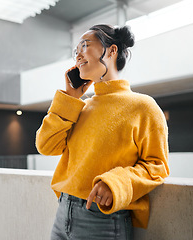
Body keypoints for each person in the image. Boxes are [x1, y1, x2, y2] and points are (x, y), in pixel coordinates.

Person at [35, 24, 169, 240]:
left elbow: (157, 166)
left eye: (85, 45)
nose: (77, 54)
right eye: (75, 50)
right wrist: (70, 97)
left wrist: (115, 183)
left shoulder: (144, 106)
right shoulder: (81, 107)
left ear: (111, 51)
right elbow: (45, 145)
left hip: (103, 219)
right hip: (63, 213)